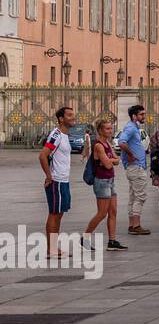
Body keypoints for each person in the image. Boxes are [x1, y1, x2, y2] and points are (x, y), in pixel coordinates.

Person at [83, 118, 126, 251]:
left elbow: (117, 160)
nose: (110, 130)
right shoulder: (98, 145)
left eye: (110, 128)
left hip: (110, 180)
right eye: (107, 128)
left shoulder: (107, 143)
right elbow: (108, 164)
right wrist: (109, 161)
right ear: (100, 130)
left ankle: (112, 241)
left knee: (113, 212)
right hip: (101, 181)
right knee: (102, 213)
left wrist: (110, 160)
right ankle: (84, 238)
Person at [40, 105, 75, 259]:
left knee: (59, 213)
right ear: (61, 118)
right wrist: (49, 176)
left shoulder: (65, 135)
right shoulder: (56, 135)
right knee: (54, 214)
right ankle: (51, 249)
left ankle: (54, 247)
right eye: (69, 115)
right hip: (56, 181)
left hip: (63, 180)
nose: (73, 117)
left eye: (73, 114)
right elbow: (43, 156)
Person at [119, 104, 151, 236]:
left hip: (135, 167)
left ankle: (132, 225)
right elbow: (121, 142)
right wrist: (131, 154)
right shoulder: (131, 128)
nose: (144, 116)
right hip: (136, 167)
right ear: (134, 116)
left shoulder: (134, 127)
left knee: (133, 197)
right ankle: (136, 225)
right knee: (140, 196)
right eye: (141, 114)